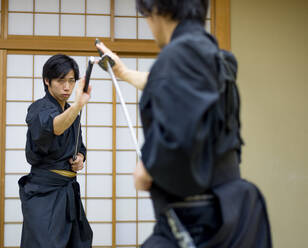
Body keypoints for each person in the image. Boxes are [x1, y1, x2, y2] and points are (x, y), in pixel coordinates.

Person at [96, 0, 272, 247]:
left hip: (200, 221)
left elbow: (180, 138)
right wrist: (124, 73)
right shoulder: (215, 58)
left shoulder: (183, 53)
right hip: (231, 213)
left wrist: (147, 167)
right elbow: (171, 83)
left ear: (156, 9)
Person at [18, 54, 93, 248]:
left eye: (71, 81)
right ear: (47, 81)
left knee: (77, 242)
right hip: (44, 193)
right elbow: (55, 128)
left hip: (68, 190)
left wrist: (81, 159)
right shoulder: (38, 108)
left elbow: (79, 145)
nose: (67, 87)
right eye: (61, 81)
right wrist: (78, 105)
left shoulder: (72, 112)